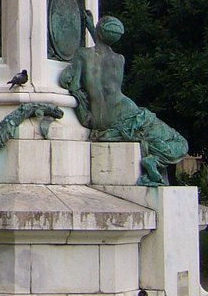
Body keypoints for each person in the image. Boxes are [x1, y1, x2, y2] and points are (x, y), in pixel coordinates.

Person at [59, 12, 188, 185]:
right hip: (127, 115)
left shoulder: (82, 55)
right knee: (180, 142)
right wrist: (94, 30)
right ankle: (154, 160)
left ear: (98, 32)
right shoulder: (119, 60)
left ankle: (154, 159)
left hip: (98, 119)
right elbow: (104, 54)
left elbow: (72, 83)